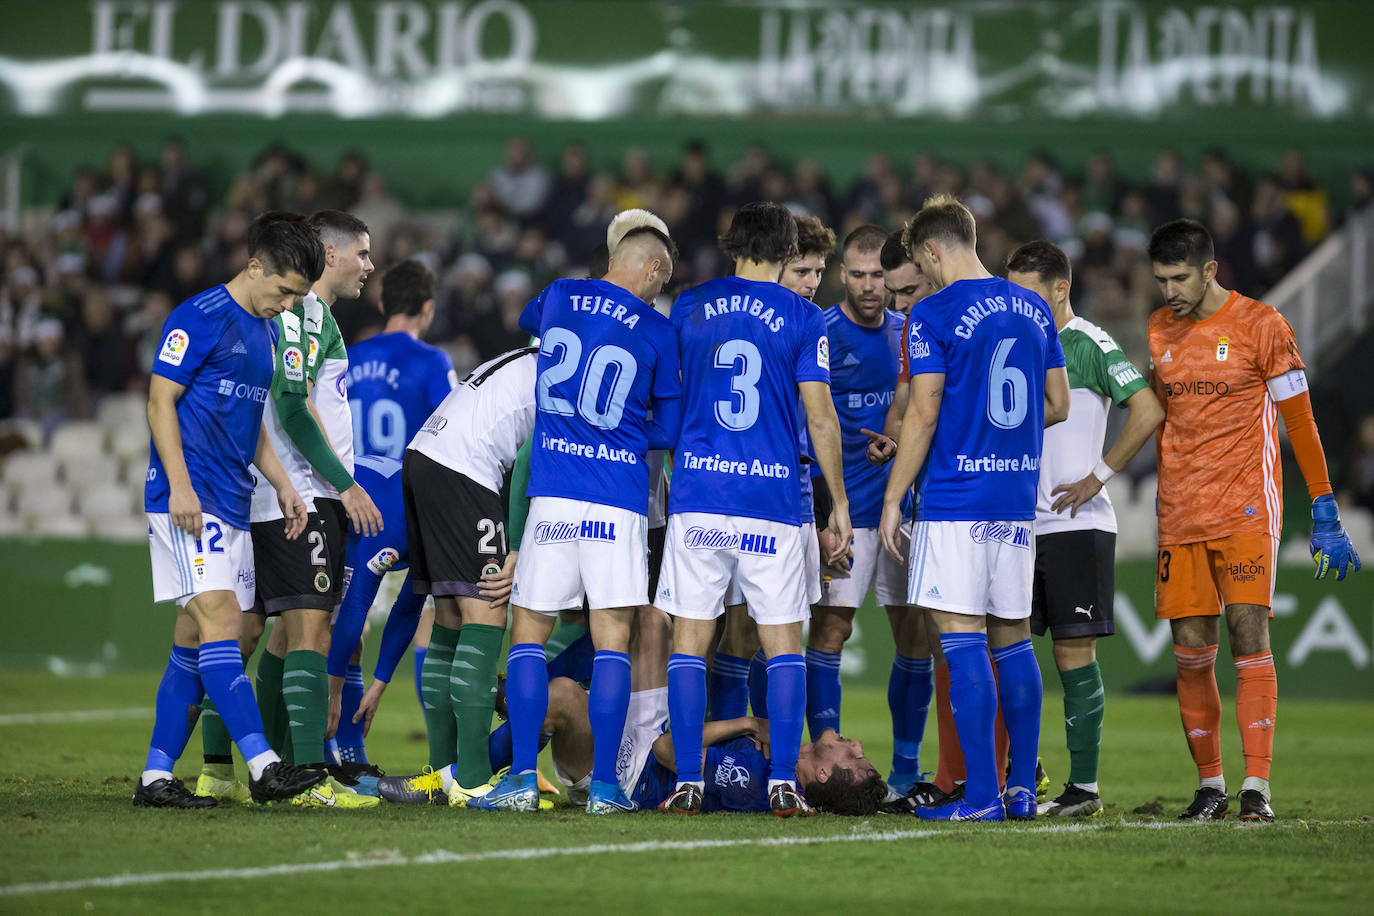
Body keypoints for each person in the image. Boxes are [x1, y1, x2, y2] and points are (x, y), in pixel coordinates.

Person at [1146, 219, 1360, 823]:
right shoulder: (1159, 328)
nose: (1170, 291)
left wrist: (1323, 503)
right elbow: (1161, 416)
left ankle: (1256, 789)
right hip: (1180, 515)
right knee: (1190, 650)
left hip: (1245, 510)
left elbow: (1300, 421)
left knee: (1248, 636)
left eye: (1180, 277)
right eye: (1161, 279)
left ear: (1210, 270)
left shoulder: (1263, 326)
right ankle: (1210, 786)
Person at [471, 226, 682, 815]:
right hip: (619, 498)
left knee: (530, 636)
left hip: (554, 495)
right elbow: (665, 429)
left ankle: (518, 782)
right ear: (656, 273)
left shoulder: (561, 294)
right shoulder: (660, 330)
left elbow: (528, 323)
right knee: (613, 640)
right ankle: (607, 791)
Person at [654, 202, 852, 817]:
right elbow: (819, 414)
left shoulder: (689, 305)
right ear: (788, 251)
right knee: (782, 643)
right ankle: (782, 784)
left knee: (690, 639)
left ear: (732, 241)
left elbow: (672, 394)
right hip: (769, 499)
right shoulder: (804, 315)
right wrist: (838, 503)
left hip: (701, 495)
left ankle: (688, 780)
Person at [878, 194, 1070, 822]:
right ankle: (1020, 790)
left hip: (955, 501)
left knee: (959, 640)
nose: (921, 279)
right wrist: (998, 435)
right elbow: (1058, 402)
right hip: (1014, 502)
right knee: (1012, 640)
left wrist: (891, 498)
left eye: (920, 265)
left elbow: (924, 412)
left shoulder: (931, 313)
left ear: (931, 250)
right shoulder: (1034, 307)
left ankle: (981, 795)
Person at [136, 211, 327, 808]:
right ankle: (265, 767)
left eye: (299, 295)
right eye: (285, 290)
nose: (290, 304)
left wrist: (284, 483)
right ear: (253, 267)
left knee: (195, 640)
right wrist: (180, 486)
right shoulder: (199, 317)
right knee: (223, 622)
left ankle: (155, 777)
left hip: (234, 501)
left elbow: (253, 425)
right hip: (191, 502)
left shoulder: (268, 331)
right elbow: (159, 401)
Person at [196, 211, 383, 809]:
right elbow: (294, 407)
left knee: (253, 633)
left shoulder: (295, 313)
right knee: (309, 626)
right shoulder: (305, 313)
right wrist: (343, 484)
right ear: (329, 256)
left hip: (266, 489)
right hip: (299, 490)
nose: (369, 267)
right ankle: (307, 776)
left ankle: (225, 770)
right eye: (361, 253)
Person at [1006, 240, 1164, 817]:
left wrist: (1098, 477)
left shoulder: (1090, 342)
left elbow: (1146, 409)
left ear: (1060, 289)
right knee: (1007, 651)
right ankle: (1023, 772)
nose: (1017, 307)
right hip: (1014, 529)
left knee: (1074, 659)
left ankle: (1084, 790)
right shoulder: (1015, 348)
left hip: (1076, 526)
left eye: (1028, 295)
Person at [535, 606, 887, 816]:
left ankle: (501, 751)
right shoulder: (783, 756)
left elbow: (668, 750)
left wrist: (749, 722)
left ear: (823, 774)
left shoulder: (753, 782)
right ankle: (521, 698)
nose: (856, 744)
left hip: (630, 773)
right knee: (653, 620)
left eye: (855, 757)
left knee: (563, 695)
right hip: (651, 730)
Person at [806, 224, 934, 801]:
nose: (868, 286)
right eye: (856, 274)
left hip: (905, 509)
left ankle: (906, 769)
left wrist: (898, 438)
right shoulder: (821, 333)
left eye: (878, 275)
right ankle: (824, 753)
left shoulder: (913, 332)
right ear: (840, 274)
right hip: (846, 512)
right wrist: (822, 511)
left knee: (914, 634)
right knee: (831, 628)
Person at [710, 214, 836, 724]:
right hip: (750, 499)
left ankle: (761, 747)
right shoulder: (792, 325)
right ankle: (743, 746)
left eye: (818, 272)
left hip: (795, 497)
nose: (810, 283)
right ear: (777, 265)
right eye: (801, 270)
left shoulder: (804, 326)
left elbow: (814, 430)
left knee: (776, 631)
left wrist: (826, 509)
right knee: (741, 633)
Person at [343, 258, 458, 726]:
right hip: (402, 506)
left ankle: (337, 747)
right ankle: (439, 747)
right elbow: (454, 430)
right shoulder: (432, 362)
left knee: (344, 626)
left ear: (383, 302)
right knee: (427, 610)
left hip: (346, 498)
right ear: (427, 310)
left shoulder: (349, 356)